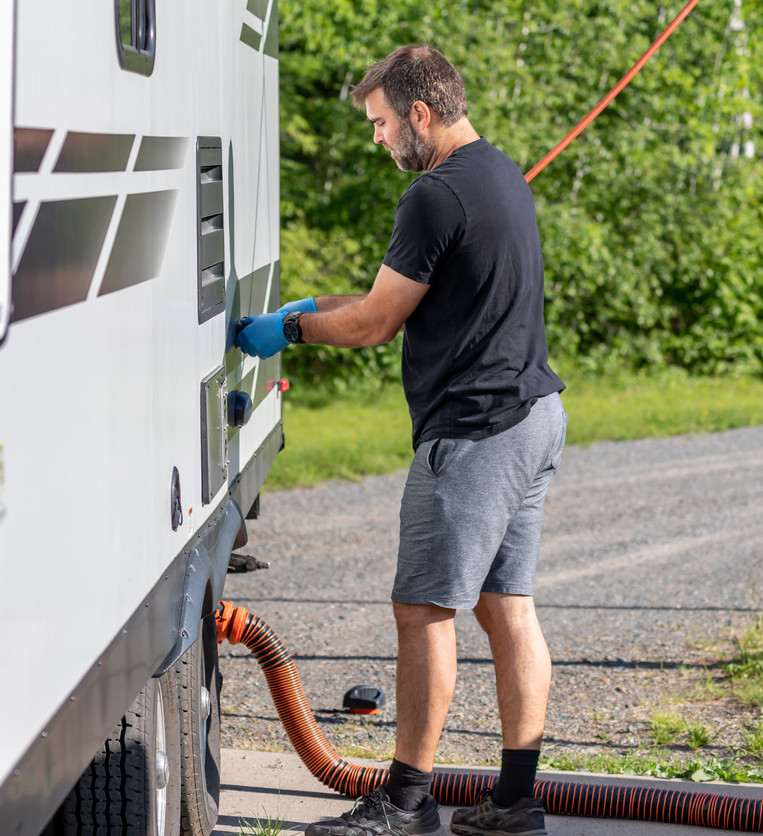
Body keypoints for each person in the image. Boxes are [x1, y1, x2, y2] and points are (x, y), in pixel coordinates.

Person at [237, 45, 566, 836]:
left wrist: (292, 330)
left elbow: (378, 323)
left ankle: (406, 802)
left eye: (382, 124)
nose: (378, 139)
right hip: (534, 416)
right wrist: (315, 303)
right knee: (507, 607)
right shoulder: (498, 173)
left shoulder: (433, 195)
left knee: (423, 611)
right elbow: (404, 297)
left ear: (420, 114)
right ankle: (516, 801)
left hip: (476, 433)